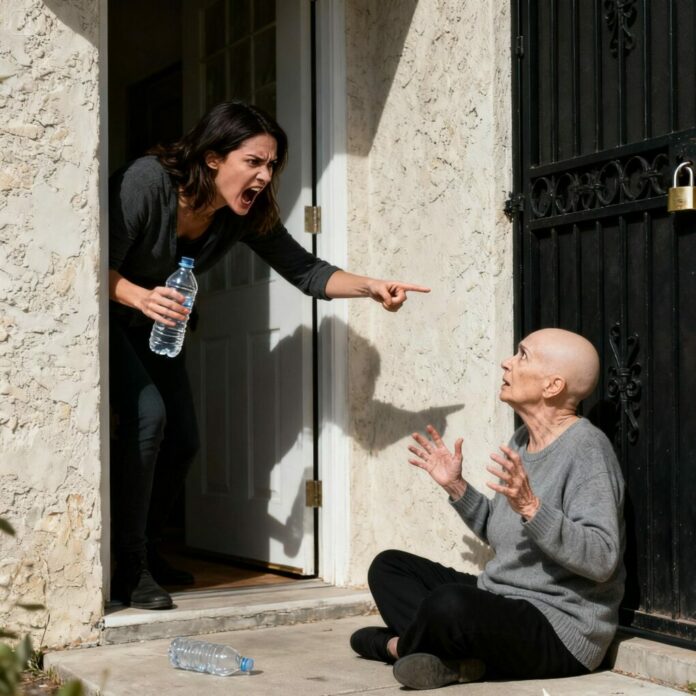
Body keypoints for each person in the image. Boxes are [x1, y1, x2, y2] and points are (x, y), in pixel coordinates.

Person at [109, 100, 430, 610]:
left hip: (159, 326)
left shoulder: (241, 215)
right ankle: (127, 565)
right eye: (254, 161)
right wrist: (140, 297)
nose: (265, 175)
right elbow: (92, 262)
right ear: (213, 157)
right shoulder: (147, 184)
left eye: (272, 164)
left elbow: (306, 271)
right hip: (110, 317)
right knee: (148, 418)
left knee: (183, 440)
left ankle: (148, 549)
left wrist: (370, 286)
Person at [350, 328, 625, 690]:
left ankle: (397, 646)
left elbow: (602, 559)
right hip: (500, 600)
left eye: (522, 355)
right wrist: (457, 487)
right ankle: (453, 659)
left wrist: (533, 508)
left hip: (559, 628)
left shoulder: (587, 448)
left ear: (553, 386)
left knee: (449, 605)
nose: (507, 363)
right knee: (389, 566)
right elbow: (501, 531)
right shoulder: (522, 440)